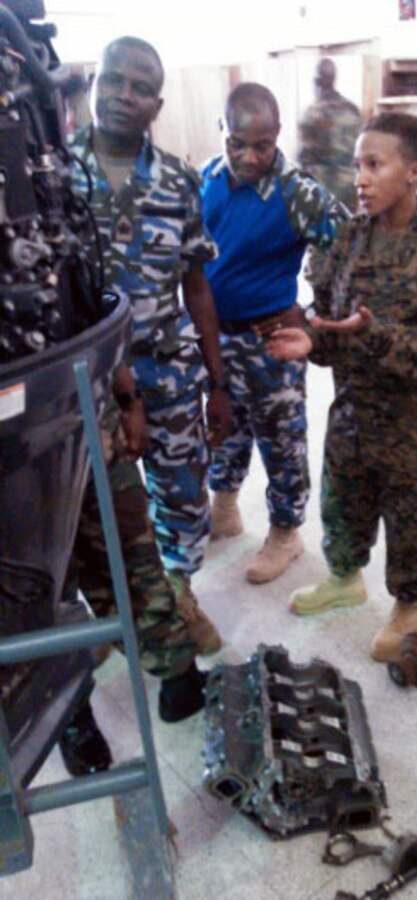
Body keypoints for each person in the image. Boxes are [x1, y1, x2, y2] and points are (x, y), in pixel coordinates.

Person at [264, 112, 417, 662]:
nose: (360, 177)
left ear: (414, 172)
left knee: (413, 525)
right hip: (354, 417)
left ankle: (408, 606)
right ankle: (344, 579)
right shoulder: (350, 238)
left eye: (375, 165)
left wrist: (374, 334)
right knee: (343, 509)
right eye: (358, 164)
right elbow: (331, 325)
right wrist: (313, 341)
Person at [70, 36, 230, 655]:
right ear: (93, 83)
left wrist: (218, 383)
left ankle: (178, 595)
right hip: (88, 384)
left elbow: (198, 284)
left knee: (184, 495)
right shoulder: (53, 178)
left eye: (139, 88)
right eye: (113, 81)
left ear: (155, 104)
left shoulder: (178, 181)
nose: (122, 96)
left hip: (168, 373)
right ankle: (109, 611)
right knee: (92, 507)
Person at [200, 82, 349, 583]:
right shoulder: (206, 180)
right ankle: (224, 506)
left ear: (278, 136)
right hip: (214, 336)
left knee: (280, 438)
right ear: (222, 129)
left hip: (271, 343)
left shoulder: (296, 191)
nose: (249, 155)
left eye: (261, 145)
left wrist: (309, 313)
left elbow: (350, 249)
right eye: (237, 142)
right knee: (225, 429)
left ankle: (286, 533)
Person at [58, 363, 208, 777]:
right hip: (13, 462)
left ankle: (179, 676)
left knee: (132, 557)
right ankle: (70, 716)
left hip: (91, 424)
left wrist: (129, 402)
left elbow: (97, 315)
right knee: (40, 599)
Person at [298, 57, 363, 211]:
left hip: (323, 191)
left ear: (316, 81)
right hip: (350, 187)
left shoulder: (312, 114)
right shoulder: (353, 110)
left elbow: (304, 160)